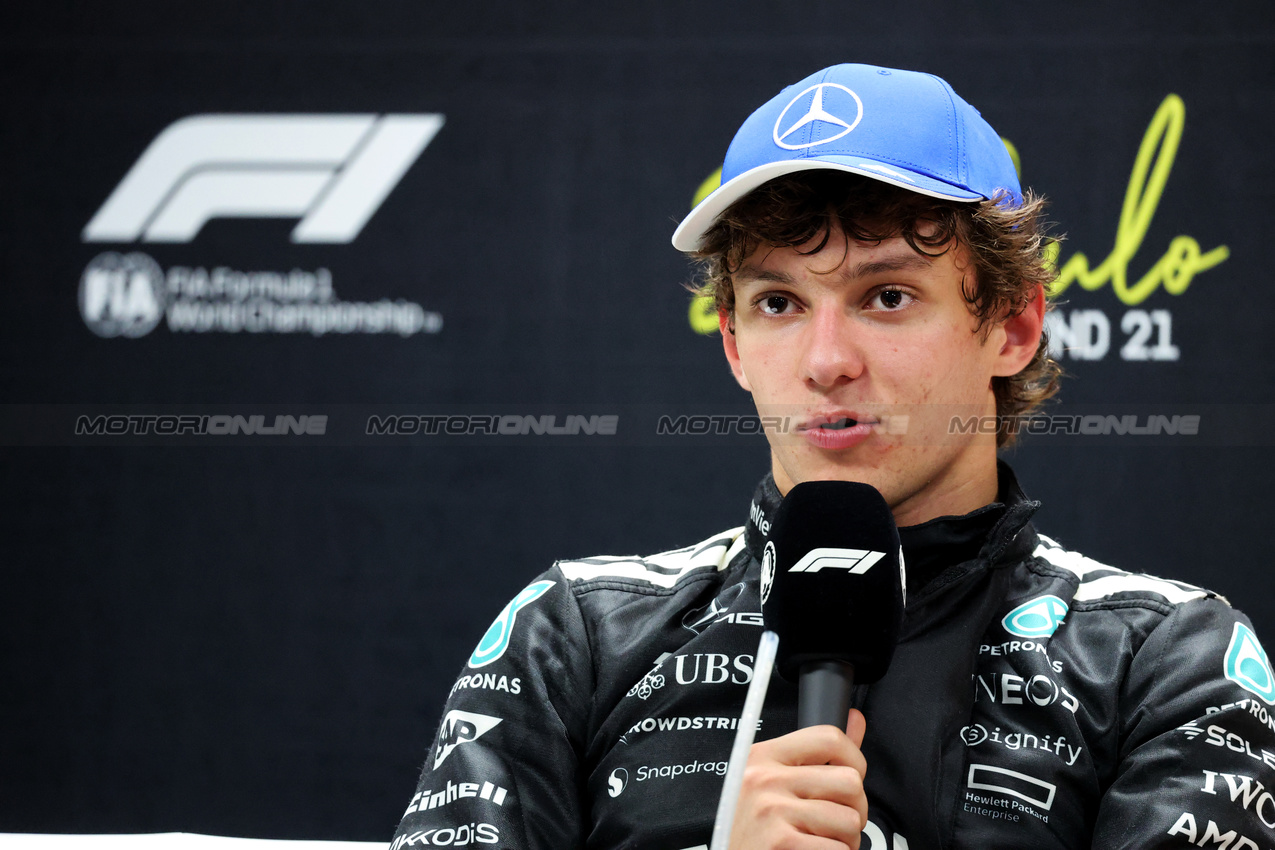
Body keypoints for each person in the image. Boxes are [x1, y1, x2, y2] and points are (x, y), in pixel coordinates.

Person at [388, 63, 1275, 850]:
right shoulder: (575, 635)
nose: (825, 362)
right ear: (732, 343)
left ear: (1011, 326)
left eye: (885, 296)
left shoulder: (1160, 658)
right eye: (778, 303)